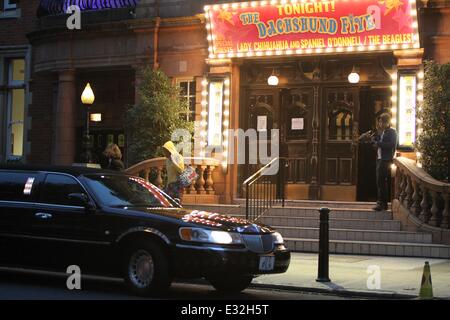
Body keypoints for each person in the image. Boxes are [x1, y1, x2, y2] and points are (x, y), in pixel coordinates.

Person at [371, 113, 397, 211]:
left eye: (381, 121)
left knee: (382, 182)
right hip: (380, 159)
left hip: (386, 160)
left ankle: (382, 204)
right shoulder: (381, 132)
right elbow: (379, 145)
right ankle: (381, 203)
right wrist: (375, 142)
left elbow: (391, 144)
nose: (379, 123)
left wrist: (379, 143)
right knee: (379, 182)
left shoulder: (392, 132)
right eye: (379, 121)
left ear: (387, 122)